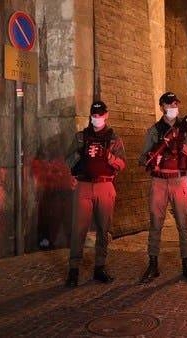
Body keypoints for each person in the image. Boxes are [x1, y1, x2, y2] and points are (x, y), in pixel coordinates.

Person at [138, 92, 187, 283]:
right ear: (161, 107)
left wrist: (182, 146)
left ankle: (186, 264)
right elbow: (142, 159)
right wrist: (153, 157)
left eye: (175, 104)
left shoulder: (186, 130)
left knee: (183, 224)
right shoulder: (154, 131)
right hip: (159, 181)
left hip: (179, 180)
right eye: (169, 104)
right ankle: (153, 264)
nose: (173, 107)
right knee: (155, 223)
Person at [64, 100, 126, 288]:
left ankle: (100, 267)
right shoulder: (81, 137)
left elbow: (122, 164)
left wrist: (107, 155)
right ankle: (73, 270)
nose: (96, 118)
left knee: (103, 229)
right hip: (83, 185)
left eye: (100, 115)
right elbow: (68, 161)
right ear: (90, 116)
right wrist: (82, 153)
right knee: (78, 229)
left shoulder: (114, 138)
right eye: (94, 115)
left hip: (105, 185)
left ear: (106, 115)